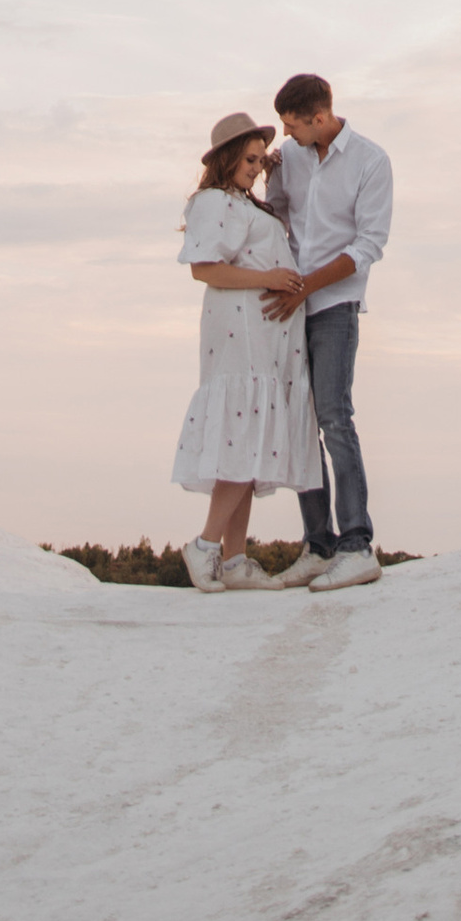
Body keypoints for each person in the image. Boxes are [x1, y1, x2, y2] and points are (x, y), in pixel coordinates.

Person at [173, 113, 321, 592]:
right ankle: (206, 546)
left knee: (250, 437)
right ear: (226, 158)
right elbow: (204, 269)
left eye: (261, 160)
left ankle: (235, 561)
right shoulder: (213, 201)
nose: (256, 167)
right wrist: (269, 279)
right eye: (249, 159)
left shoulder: (244, 203)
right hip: (238, 330)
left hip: (263, 333)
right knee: (243, 433)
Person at [263, 74, 392, 591]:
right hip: (288, 307)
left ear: (319, 117)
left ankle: (357, 546)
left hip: (335, 304)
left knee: (335, 417)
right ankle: (317, 546)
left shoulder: (370, 161)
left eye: (292, 125)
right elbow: (273, 216)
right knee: (300, 423)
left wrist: (307, 286)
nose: (286, 134)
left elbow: (369, 245)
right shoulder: (290, 159)